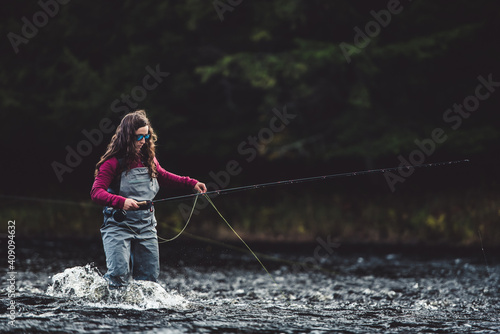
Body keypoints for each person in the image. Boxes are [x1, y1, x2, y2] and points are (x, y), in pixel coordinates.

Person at [90, 110, 206, 287]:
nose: (143, 142)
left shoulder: (148, 158)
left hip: (146, 226)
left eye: (146, 136)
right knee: (118, 275)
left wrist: (191, 183)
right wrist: (122, 201)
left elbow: (163, 176)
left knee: (149, 279)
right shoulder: (112, 163)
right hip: (117, 225)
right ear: (127, 137)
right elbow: (96, 193)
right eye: (138, 137)